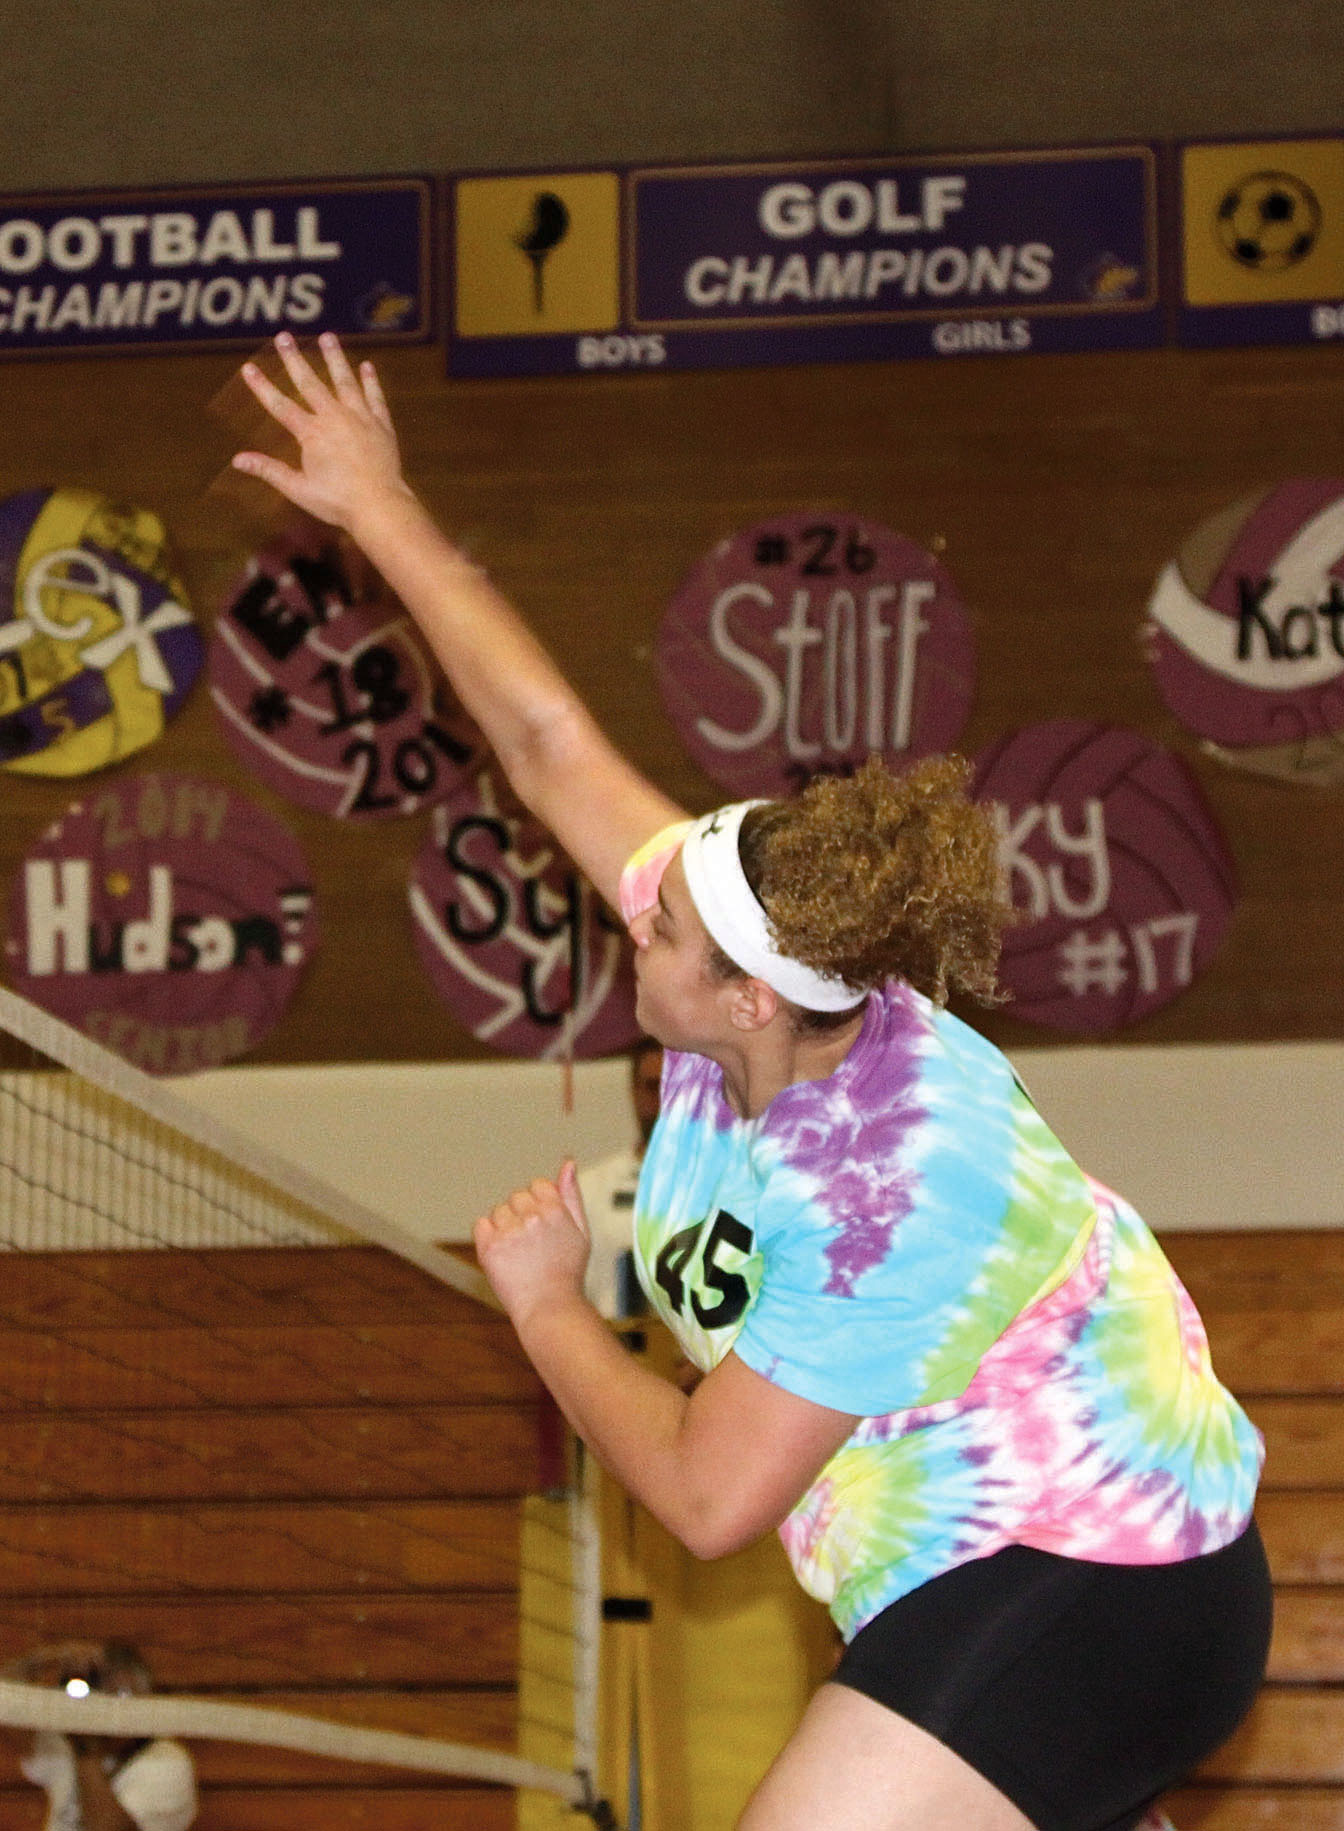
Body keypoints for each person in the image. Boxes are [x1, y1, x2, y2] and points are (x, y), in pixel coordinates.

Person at [232, 332, 1268, 1831]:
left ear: (744, 995)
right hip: (961, 1571)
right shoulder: (765, 984)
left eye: (661, 923)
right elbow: (544, 740)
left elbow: (712, 1502)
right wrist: (377, 504)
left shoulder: (894, 1189)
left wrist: (542, 1301)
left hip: (1107, 1579)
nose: (630, 907)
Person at [0, 1642, 197, 1831]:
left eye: (121, 1695)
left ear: (144, 1698)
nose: (111, 1708)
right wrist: (47, 1659)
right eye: (101, 1692)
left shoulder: (165, 1761)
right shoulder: (68, 1743)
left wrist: (86, 1750)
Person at [574, 1039, 661, 1319]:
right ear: (634, 1093)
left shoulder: (732, 1187)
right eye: (653, 1087)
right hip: (611, 1352)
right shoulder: (588, 1190)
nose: (664, 1102)